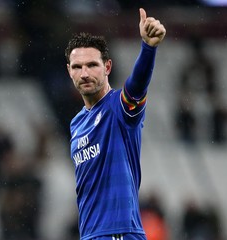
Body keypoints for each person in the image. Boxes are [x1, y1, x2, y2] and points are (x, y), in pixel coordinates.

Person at [65, 8, 166, 240]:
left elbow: (137, 86)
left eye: (92, 65)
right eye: (77, 67)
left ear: (107, 67)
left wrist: (148, 48)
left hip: (119, 234)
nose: (85, 73)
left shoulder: (118, 108)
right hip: (90, 235)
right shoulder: (77, 123)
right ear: (69, 71)